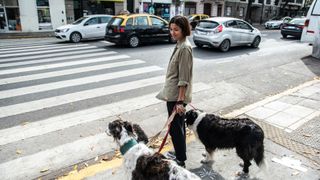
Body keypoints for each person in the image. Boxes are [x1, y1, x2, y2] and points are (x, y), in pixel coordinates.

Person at [156, 15, 193, 168]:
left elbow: (183, 78)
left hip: (176, 97)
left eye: (176, 30)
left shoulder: (184, 48)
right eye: (171, 29)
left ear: (184, 30)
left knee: (175, 129)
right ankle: (180, 153)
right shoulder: (179, 44)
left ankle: (180, 160)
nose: (172, 32)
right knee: (178, 127)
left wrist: (179, 101)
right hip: (173, 94)